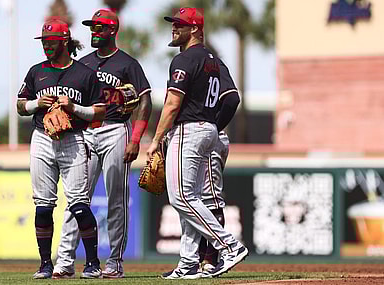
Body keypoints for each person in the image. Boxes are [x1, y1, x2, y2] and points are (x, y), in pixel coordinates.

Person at [146, 7, 248, 279]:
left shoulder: (185, 59)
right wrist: (214, 126)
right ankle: (189, 263)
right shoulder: (214, 61)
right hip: (208, 131)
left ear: (195, 29)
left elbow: (172, 104)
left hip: (188, 130)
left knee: (181, 196)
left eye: (180, 24)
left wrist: (156, 139)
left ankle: (230, 245)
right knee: (190, 197)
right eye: (174, 24)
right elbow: (231, 98)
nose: (174, 28)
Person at [52, 9, 152, 279]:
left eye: (99, 28)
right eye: (92, 27)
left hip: (115, 130)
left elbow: (145, 101)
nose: (94, 32)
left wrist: (136, 138)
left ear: (112, 30)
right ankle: (64, 261)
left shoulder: (127, 64)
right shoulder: (82, 64)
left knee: (116, 200)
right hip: (85, 133)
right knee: (76, 198)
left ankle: (115, 262)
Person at [16, 17, 106, 279]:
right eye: (44, 41)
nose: (46, 46)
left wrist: (73, 108)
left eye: (52, 41)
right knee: (43, 205)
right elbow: (20, 106)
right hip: (42, 137)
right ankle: (45, 263)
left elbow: (99, 112)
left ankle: (92, 263)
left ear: (65, 41)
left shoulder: (85, 74)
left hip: (73, 139)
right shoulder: (36, 71)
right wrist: (36, 104)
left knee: (79, 203)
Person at [199, 59, 241, 273]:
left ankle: (210, 259)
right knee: (191, 201)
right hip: (192, 140)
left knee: (209, 199)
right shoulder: (186, 65)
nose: (175, 30)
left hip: (209, 141)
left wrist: (213, 129)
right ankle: (198, 260)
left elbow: (232, 98)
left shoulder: (211, 64)